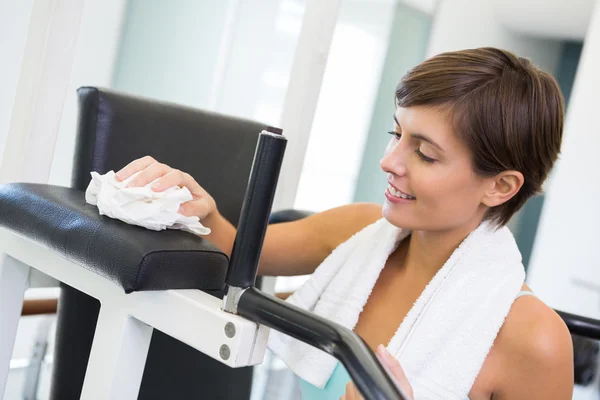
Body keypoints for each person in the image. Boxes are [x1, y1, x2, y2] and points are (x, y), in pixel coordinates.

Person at [115, 47, 574, 399]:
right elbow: (240, 252)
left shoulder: (535, 341)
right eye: (397, 134)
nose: (389, 161)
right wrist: (200, 208)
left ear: (500, 187)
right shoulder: (360, 231)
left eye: (426, 153)